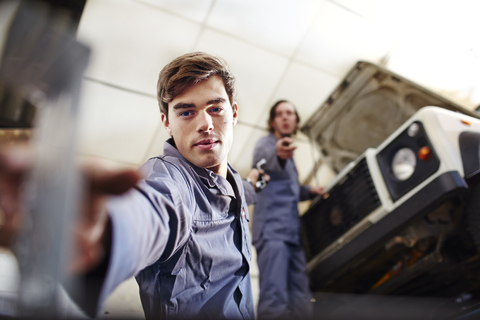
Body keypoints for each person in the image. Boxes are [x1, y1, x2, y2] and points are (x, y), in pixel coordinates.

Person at [0, 52, 268, 320]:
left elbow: (240, 194)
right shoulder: (168, 180)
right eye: (186, 112)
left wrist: (255, 183)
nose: (205, 124)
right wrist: (104, 230)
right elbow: (151, 211)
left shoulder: (232, 180)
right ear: (167, 123)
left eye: (215, 108)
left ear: (233, 113)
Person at [251, 100, 324, 319]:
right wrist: (278, 152)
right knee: (275, 297)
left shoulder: (292, 163)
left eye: (290, 113)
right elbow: (261, 163)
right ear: (273, 121)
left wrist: (310, 191)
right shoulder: (266, 144)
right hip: (272, 232)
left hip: (293, 235)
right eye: (280, 114)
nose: (285, 117)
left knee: (302, 299)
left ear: (295, 121)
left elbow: (291, 189)